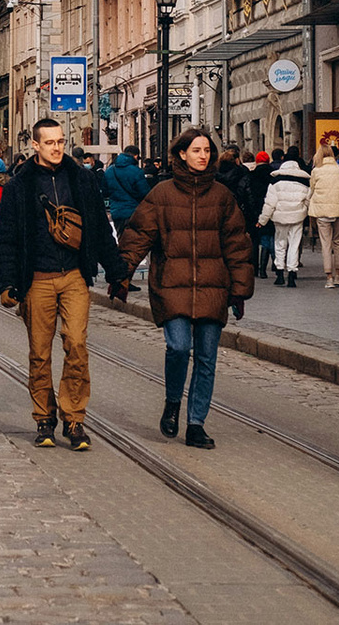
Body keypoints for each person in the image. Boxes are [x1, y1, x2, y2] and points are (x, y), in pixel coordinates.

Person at [0, 119, 126, 452]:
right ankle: (44, 418)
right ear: (35, 145)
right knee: (39, 354)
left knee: (77, 344)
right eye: (49, 142)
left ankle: (75, 418)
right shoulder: (18, 187)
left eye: (61, 142)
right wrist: (7, 282)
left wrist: (117, 271)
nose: (56, 148)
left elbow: (97, 229)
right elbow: (4, 238)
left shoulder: (81, 180)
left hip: (74, 276)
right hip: (37, 278)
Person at [115, 129, 254, 450]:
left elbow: (237, 244)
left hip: (213, 286)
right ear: (181, 154)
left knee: (206, 358)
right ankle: (173, 401)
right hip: (172, 284)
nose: (203, 156)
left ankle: (196, 423)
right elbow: (138, 235)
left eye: (207, 150)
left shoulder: (221, 196)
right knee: (178, 347)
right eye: (196, 150)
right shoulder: (162, 194)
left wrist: (240, 289)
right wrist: (122, 274)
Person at [255, 156, 311, 287]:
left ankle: (280, 273)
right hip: (297, 217)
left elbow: (269, 204)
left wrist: (262, 220)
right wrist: (303, 210)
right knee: (294, 245)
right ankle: (292, 273)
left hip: (279, 218)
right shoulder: (304, 184)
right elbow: (308, 202)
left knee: (280, 244)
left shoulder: (275, 184)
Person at [309, 144, 339, 289]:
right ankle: (338, 275)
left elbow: (311, 189)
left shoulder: (316, 171)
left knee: (326, 244)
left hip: (322, 211)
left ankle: (329, 277)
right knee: (338, 243)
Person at [106, 145, 150, 236]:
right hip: (134, 212)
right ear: (135, 156)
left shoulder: (109, 171)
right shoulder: (137, 171)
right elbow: (145, 193)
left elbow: (105, 191)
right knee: (134, 241)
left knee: (121, 238)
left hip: (117, 212)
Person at [246, 151, 275, 279]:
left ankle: (255, 268)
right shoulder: (273, 175)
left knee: (254, 239)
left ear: (257, 161)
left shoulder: (251, 175)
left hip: (254, 210)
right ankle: (264, 268)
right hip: (269, 209)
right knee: (267, 239)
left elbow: (248, 193)